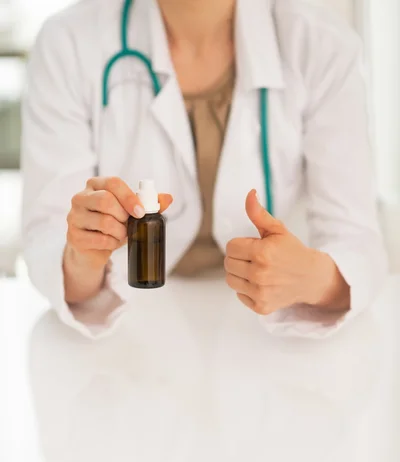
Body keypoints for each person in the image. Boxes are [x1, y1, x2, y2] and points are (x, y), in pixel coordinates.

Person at [22, 0, 387, 338]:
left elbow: (357, 242)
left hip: (267, 333)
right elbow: (47, 241)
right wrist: (84, 256)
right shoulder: (68, 43)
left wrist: (312, 279)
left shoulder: (321, 45)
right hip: (132, 331)